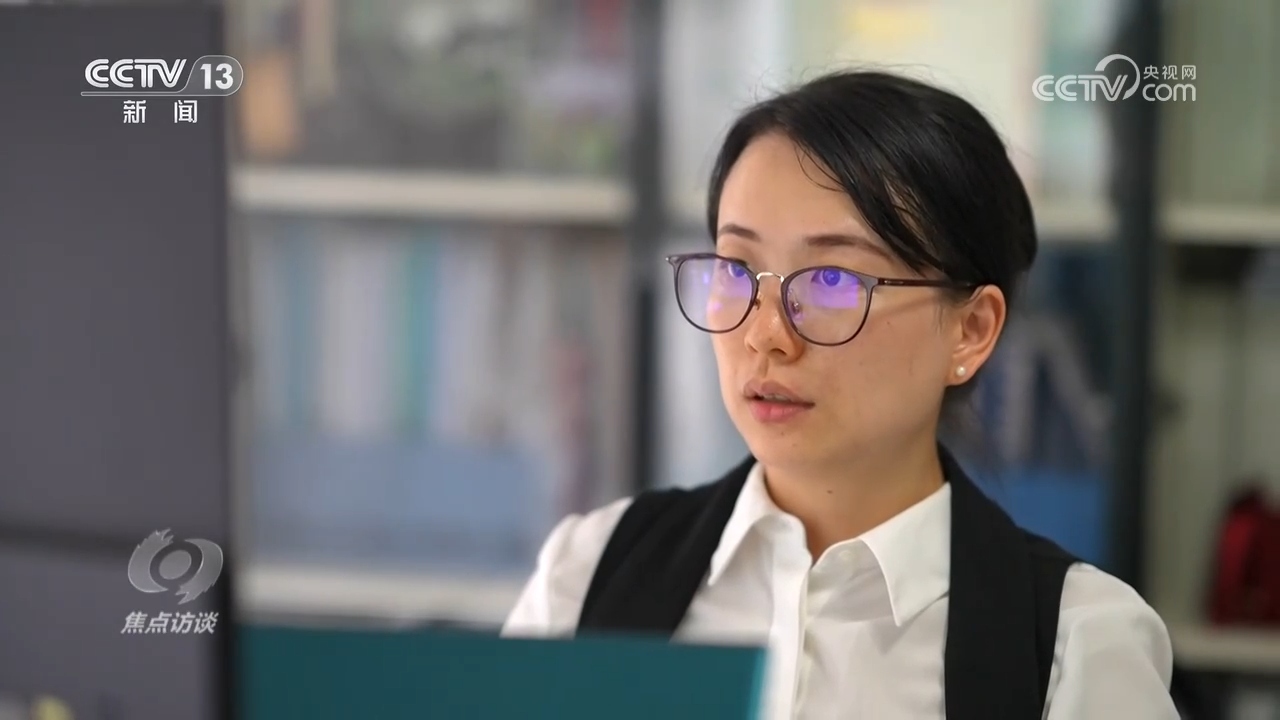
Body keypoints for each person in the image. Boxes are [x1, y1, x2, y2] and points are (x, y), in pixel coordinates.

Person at [502, 70, 1176, 719]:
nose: (767, 335)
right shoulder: (589, 574)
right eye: (737, 269)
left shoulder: (1075, 645)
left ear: (970, 331)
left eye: (832, 281)